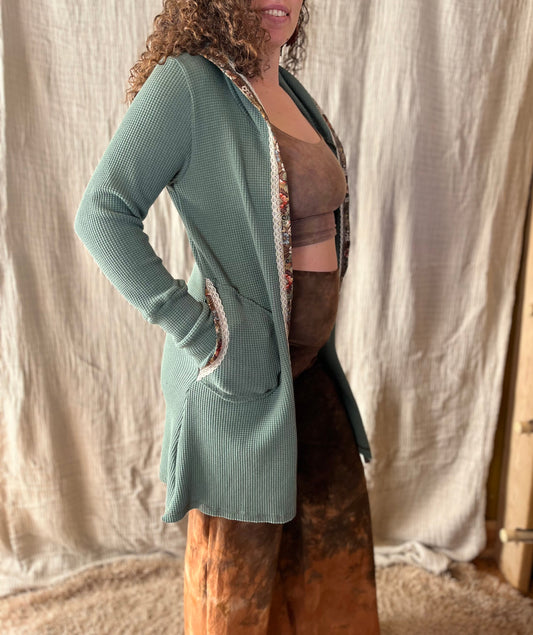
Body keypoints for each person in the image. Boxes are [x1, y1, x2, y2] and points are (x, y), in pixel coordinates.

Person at [74, 0, 380, 632]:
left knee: (334, 546)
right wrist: (198, 333)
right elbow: (102, 213)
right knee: (236, 578)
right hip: (237, 376)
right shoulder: (187, 83)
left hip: (309, 365)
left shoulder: (285, 87)